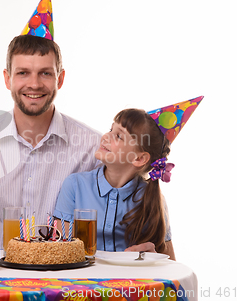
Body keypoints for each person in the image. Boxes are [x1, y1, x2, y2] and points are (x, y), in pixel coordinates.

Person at [0, 0, 101, 228]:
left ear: (60, 79)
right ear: (7, 79)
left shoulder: (92, 147)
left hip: (64, 266)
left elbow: (118, 209)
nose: (34, 84)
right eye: (23, 73)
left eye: (45, 73)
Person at [53, 96, 204, 259]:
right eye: (111, 129)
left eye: (118, 136)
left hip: (131, 282)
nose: (105, 136)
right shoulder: (75, 185)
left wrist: (153, 259)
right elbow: (59, 250)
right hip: (81, 281)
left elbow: (170, 265)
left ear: (139, 159)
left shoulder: (152, 199)